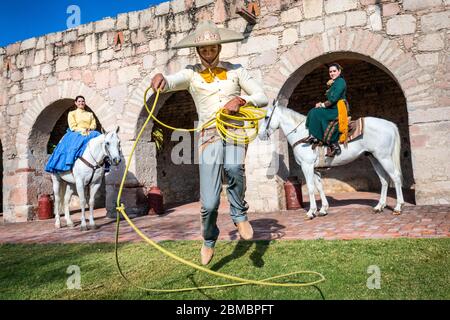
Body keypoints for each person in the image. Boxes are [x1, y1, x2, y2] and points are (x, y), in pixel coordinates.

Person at [151, 20, 268, 265]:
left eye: (212, 48)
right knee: (211, 201)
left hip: (234, 130)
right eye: (203, 50)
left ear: (219, 47)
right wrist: (161, 78)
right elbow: (170, 82)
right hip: (208, 135)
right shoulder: (191, 73)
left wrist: (241, 101)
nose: (208, 53)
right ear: (198, 51)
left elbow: (261, 96)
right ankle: (208, 239)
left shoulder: (236, 70)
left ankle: (239, 214)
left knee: (235, 168)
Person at [300, 63, 349, 157]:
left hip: (337, 108)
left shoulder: (340, 81)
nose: (332, 73)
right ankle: (314, 136)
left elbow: (334, 98)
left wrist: (322, 105)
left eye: (334, 71)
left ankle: (330, 141)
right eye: (330, 72)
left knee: (315, 112)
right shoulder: (333, 82)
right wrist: (321, 104)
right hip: (332, 106)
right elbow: (331, 98)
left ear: (339, 71)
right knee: (313, 111)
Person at [45, 96, 102, 173]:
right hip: (77, 132)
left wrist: (90, 128)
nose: (81, 103)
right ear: (75, 103)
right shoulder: (72, 113)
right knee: (74, 146)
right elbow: (72, 126)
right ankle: (70, 162)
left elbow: (93, 124)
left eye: (83, 101)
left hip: (90, 132)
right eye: (79, 101)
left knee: (100, 139)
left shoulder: (90, 114)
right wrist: (82, 130)